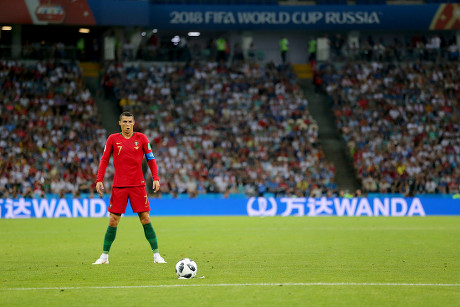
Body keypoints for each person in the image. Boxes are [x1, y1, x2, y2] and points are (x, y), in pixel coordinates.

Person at [92, 112, 166, 264]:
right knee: (113, 220)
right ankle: (104, 256)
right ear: (120, 123)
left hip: (138, 185)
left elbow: (151, 159)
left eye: (130, 121)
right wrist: (99, 179)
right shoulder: (113, 139)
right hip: (119, 185)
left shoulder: (142, 138)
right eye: (124, 121)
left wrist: (156, 178)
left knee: (145, 218)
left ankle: (157, 255)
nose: (127, 124)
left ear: (134, 123)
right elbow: (104, 159)